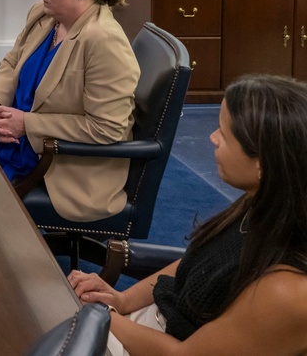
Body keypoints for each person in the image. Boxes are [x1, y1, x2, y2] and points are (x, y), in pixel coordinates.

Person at [68, 75, 307, 355]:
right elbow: (196, 262)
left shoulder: (288, 292)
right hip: (151, 326)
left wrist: (103, 316)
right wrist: (121, 300)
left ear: (264, 164)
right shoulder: (267, 203)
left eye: (224, 134)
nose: (212, 138)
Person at [0, 0, 140, 222]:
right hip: (15, 117)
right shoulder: (43, 16)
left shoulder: (103, 40)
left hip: (53, 152)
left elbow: (107, 128)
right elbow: (11, 63)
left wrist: (27, 124)